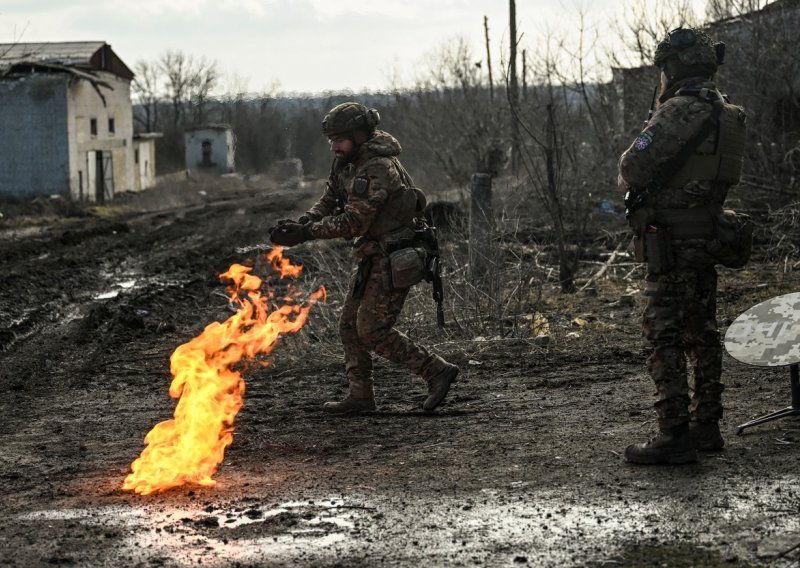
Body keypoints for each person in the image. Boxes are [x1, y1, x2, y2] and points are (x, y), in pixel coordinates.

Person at [269, 102, 459, 413]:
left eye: (339, 140)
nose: (333, 147)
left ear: (358, 136)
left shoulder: (378, 169)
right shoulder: (347, 162)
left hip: (395, 255)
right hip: (373, 253)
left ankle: (437, 371)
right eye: (331, 140)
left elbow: (353, 223)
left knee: (371, 330)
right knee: (348, 326)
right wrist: (303, 222)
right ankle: (360, 397)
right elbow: (330, 198)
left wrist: (306, 234)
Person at [618, 28, 748, 464]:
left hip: (670, 242)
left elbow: (632, 166)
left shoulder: (676, 111)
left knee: (664, 335)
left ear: (673, 68)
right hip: (707, 236)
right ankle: (707, 425)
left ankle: (674, 433)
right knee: (702, 332)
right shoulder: (728, 114)